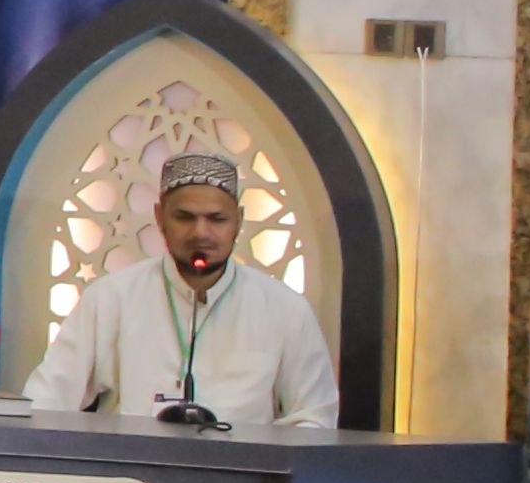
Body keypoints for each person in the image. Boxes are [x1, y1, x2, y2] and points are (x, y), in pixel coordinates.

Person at [29, 148, 337, 430]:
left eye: (216, 219)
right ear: (159, 217)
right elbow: (46, 402)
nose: (200, 233)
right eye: (185, 218)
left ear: (239, 221)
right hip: (131, 470)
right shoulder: (111, 298)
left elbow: (313, 420)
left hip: (240, 470)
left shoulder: (285, 310)